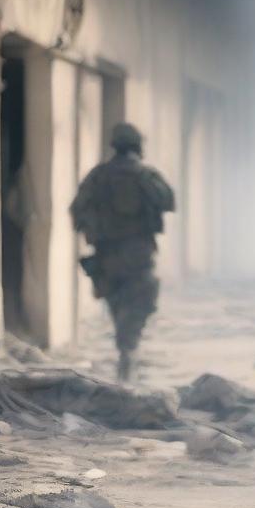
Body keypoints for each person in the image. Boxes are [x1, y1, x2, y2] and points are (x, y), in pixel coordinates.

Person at [70, 122, 175, 382]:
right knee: (141, 301)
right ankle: (129, 350)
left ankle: (125, 350)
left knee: (116, 300)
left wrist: (96, 229)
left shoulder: (98, 175)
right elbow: (168, 202)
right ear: (138, 146)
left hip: (108, 253)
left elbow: (77, 210)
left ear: (114, 146)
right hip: (139, 252)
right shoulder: (146, 175)